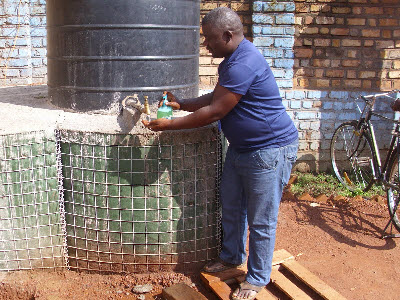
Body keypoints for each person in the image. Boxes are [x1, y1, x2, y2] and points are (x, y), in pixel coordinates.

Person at [143, 7, 298, 300]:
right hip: (243, 149)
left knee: (261, 219)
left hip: (269, 151)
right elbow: (216, 97)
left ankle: (256, 278)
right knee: (232, 206)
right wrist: (182, 104)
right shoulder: (233, 60)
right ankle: (231, 257)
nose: (206, 45)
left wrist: (168, 125)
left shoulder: (244, 62)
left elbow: (215, 111)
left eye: (209, 39)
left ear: (227, 35)